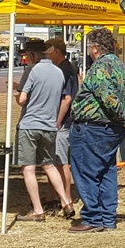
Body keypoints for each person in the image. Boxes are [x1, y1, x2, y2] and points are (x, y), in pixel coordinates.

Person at [69, 27, 125, 232]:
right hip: (111, 130)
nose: (89, 51)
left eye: (89, 46)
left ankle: (92, 218)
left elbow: (108, 98)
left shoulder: (100, 67)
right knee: (107, 171)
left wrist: (123, 117)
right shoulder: (121, 66)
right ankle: (108, 217)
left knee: (86, 172)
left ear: (96, 48)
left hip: (94, 128)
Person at [13, 39, 71, 220]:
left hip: (30, 124)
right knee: (49, 165)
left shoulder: (33, 70)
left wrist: (17, 94)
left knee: (28, 168)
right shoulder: (58, 72)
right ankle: (66, 201)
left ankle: (38, 210)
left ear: (31, 55)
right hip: (49, 125)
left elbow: (22, 100)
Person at [45, 38, 80, 213]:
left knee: (60, 161)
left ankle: (66, 199)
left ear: (56, 52)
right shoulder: (64, 68)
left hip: (62, 122)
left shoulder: (64, 70)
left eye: (48, 52)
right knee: (53, 160)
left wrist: (57, 120)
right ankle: (54, 197)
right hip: (61, 121)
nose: (46, 56)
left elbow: (67, 98)